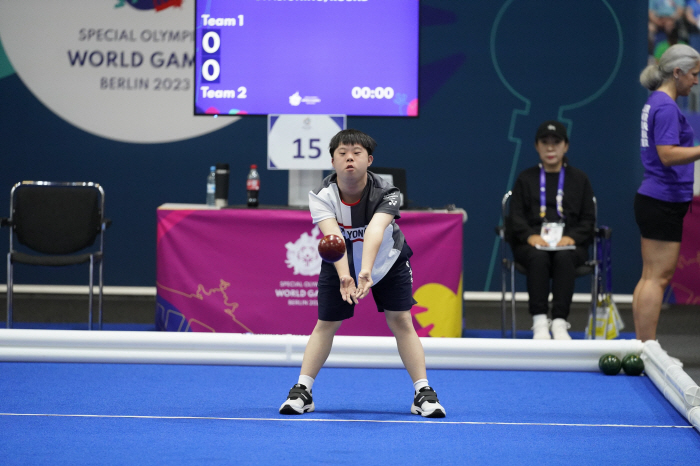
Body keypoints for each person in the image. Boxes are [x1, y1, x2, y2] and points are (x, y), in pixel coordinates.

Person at [278, 129, 446, 418]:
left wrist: (365, 272)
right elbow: (333, 239)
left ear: (369, 160)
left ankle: (423, 393)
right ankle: (302, 391)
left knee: (401, 320)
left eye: (356, 153)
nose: (349, 158)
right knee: (326, 323)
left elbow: (375, 231)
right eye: (342, 153)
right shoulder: (321, 195)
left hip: (386, 262)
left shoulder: (388, 193)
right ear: (333, 161)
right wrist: (346, 275)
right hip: (338, 263)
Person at [634, 43, 700, 342]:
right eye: (694, 74)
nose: (696, 81)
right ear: (677, 73)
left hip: (656, 198)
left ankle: (641, 345)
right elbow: (667, 154)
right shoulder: (666, 107)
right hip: (662, 200)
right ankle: (647, 349)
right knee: (657, 279)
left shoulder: (656, 102)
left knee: (650, 277)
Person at [507, 121, 595, 340]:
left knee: (564, 257)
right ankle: (538, 322)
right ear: (536, 146)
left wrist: (571, 237)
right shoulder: (525, 178)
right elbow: (515, 217)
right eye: (544, 143)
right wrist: (530, 236)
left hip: (569, 243)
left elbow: (588, 219)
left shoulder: (580, 179)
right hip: (533, 244)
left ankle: (559, 322)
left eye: (556, 143)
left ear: (566, 146)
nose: (550, 148)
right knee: (538, 257)